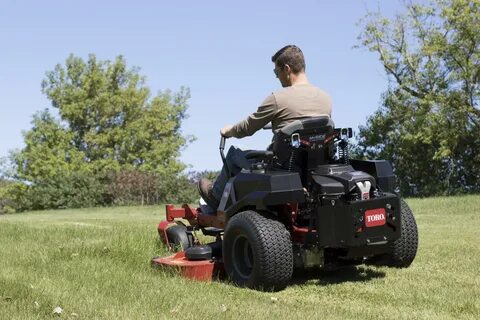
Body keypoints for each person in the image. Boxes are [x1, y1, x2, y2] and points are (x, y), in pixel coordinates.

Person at [198, 45, 333, 210]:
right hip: (313, 169)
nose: (277, 77)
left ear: (287, 69)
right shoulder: (325, 99)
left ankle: (216, 195)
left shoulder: (278, 99)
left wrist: (229, 130)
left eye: (277, 72)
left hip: (281, 169)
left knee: (234, 155)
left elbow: (247, 127)